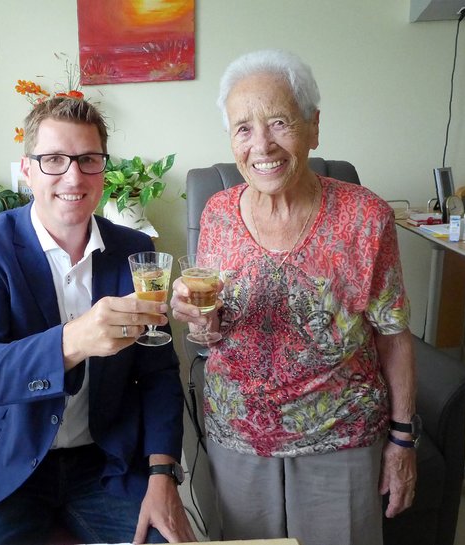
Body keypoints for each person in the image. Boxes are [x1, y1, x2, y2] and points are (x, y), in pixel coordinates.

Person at [171, 49, 417, 545]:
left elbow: (393, 335)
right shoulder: (217, 213)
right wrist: (200, 321)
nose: (262, 144)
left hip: (340, 435)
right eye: (243, 128)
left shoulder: (365, 218)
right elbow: (211, 331)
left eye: (279, 122)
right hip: (237, 437)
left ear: (313, 126)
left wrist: (402, 440)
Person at [0, 96, 196, 545]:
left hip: (107, 464)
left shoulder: (134, 250)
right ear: (28, 169)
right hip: (7, 464)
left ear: (103, 168)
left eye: (88, 160)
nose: (73, 177)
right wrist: (73, 341)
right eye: (54, 160)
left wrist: (162, 476)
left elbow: (159, 375)